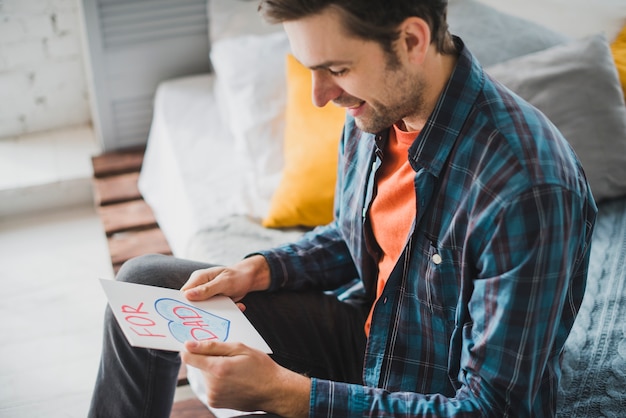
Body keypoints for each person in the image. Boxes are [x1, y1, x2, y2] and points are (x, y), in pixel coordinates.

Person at [88, 0, 598, 416]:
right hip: (371, 337)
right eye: (311, 69)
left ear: (412, 41)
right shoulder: (375, 112)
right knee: (146, 281)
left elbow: (493, 410)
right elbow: (362, 232)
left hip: (432, 393)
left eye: (337, 68)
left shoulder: (528, 188)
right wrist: (261, 269)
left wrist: (285, 394)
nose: (319, 96)